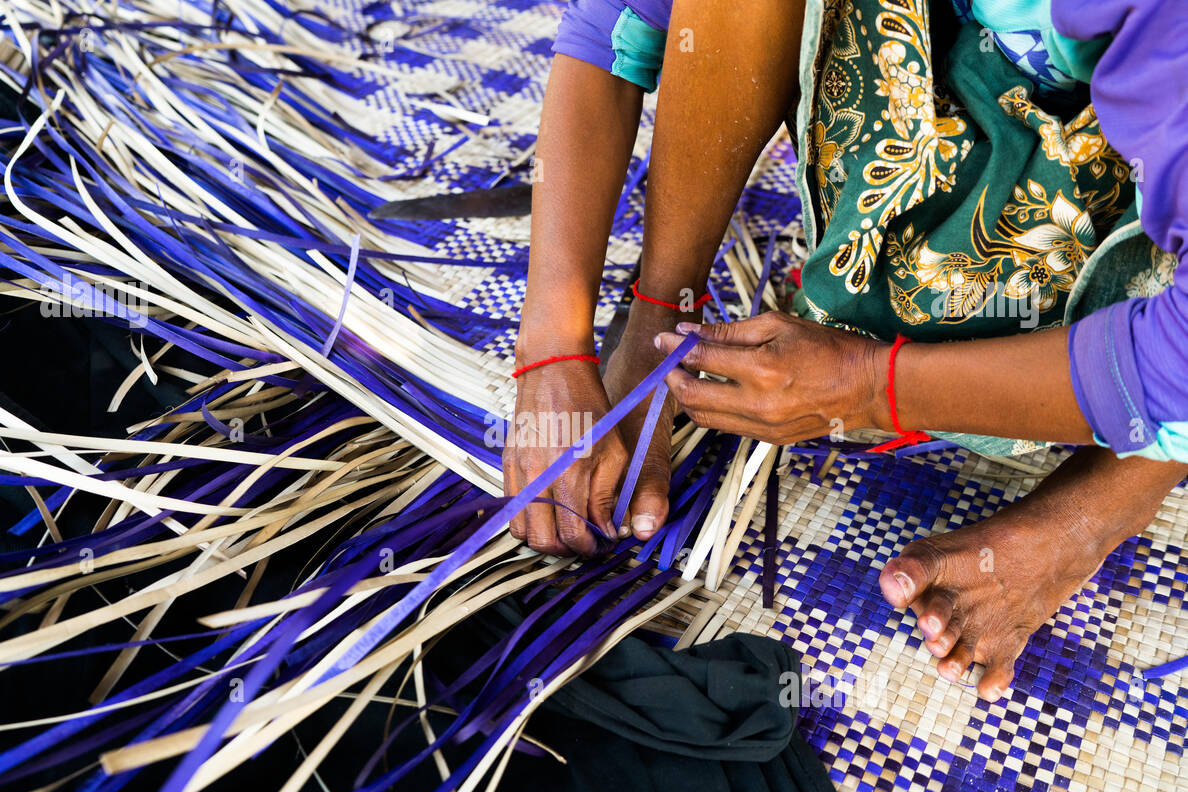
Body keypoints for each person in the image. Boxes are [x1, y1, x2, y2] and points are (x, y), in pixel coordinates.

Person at [505, 0, 1188, 702]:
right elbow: (611, 28)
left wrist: (869, 385)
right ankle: (660, 317)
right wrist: (553, 344)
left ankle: (1096, 510)